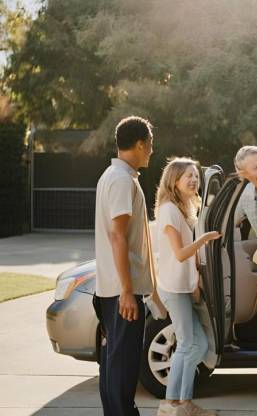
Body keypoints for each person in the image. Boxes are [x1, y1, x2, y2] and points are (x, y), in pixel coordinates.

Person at [94, 116, 154, 416]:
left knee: (114, 362)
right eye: (150, 145)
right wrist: (128, 292)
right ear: (141, 143)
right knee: (123, 367)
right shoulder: (120, 180)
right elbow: (117, 236)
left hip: (113, 289)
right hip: (122, 293)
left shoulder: (113, 176)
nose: (151, 152)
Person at [154, 157, 221, 416]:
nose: (194, 180)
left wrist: (196, 282)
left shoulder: (185, 207)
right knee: (185, 344)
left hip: (184, 286)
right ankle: (173, 404)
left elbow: (188, 259)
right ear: (174, 181)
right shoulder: (169, 209)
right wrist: (204, 239)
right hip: (172, 287)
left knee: (200, 345)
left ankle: (181, 403)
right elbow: (180, 254)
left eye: (195, 175)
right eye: (188, 176)